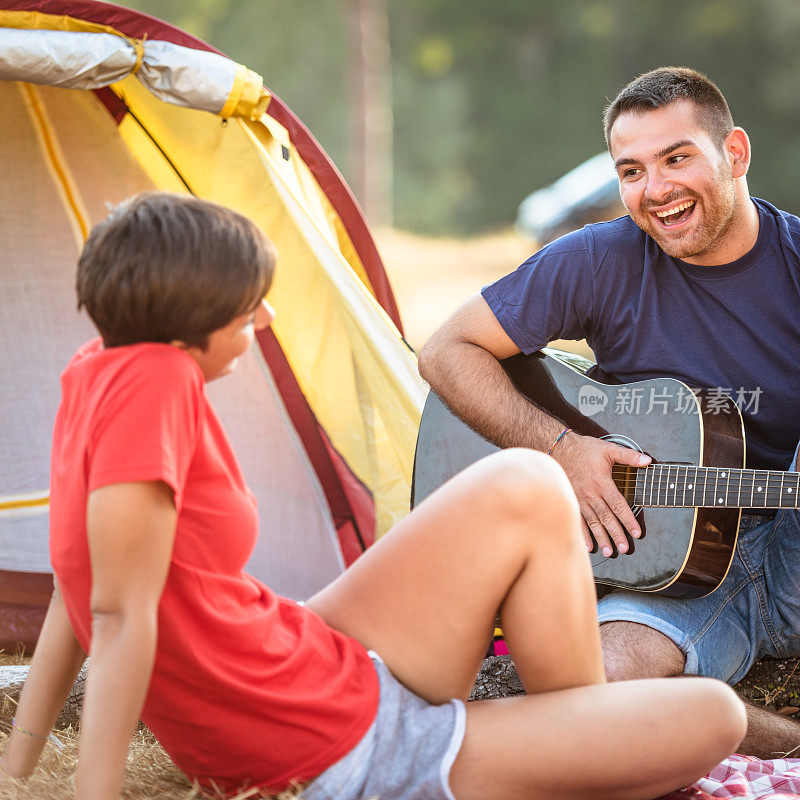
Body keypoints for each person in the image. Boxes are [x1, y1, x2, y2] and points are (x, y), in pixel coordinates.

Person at [0, 192, 744, 800]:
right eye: (246, 308)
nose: (263, 321)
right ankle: (574, 741)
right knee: (716, 715)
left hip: (301, 654)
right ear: (191, 317)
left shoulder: (96, 367)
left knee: (530, 478)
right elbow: (115, 614)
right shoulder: (155, 385)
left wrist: (20, 768)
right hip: (327, 742)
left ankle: (571, 734)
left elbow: (77, 580)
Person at [418, 66, 800, 759]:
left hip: (793, 550)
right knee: (596, 686)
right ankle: (783, 741)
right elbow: (448, 351)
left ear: (735, 154)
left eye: (677, 158)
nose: (655, 191)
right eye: (631, 170)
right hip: (668, 568)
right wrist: (561, 446)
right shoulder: (599, 259)